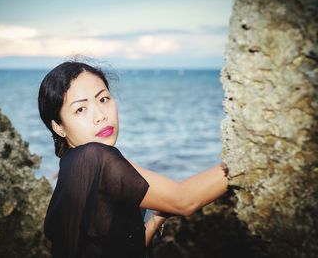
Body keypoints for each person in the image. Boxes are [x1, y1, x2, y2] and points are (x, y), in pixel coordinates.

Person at [38, 61, 229, 258]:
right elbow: (184, 200)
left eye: (103, 99)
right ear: (58, 126)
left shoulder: (71, 166)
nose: (100, 116)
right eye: (80, 109)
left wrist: (156, 220)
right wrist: (247, 159)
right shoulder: (97, 157)